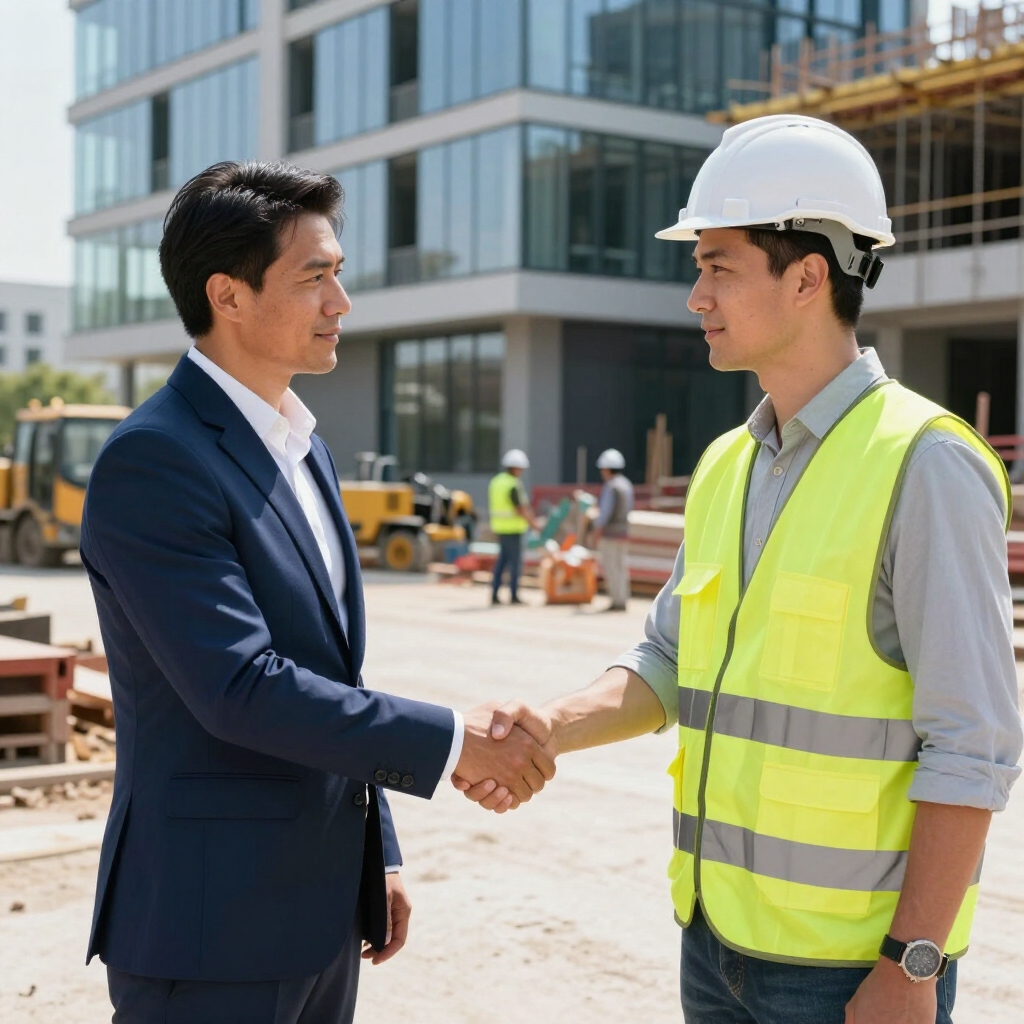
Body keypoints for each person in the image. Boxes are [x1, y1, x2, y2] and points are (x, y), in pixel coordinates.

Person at [455, 116, 1023, 1024]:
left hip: (851, 970)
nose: (696, 296)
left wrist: (911, 965)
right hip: (714, 942)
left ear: (808, 276)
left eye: (718, 265)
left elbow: (975, 742)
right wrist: (551, 726)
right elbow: (669, 661)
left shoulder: (925, 461)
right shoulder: (728, 463)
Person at [80, 160, 555, 1024]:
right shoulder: (156, 459)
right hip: (209, 930)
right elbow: (239, 687)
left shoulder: (302, 447)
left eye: (339, 275)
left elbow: (329, 671)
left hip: (321, 912)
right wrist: (454, 744)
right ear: (226, 295)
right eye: (315, 278)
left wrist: (377, 850)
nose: (341, 303)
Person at [488, 449, 538, 606]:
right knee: (515, 564)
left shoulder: (496, 481)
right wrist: (533, 524)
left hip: (499, 527)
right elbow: (520, 508)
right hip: (513, 529)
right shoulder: (513, 484)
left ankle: (495, 594)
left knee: (502, 562)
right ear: (516, 468)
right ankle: (514, 595)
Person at [589, 448, 634, 611]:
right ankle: (623, 598)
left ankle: (617, 601)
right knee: (621, 566)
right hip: (623, 532)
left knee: (612, 567)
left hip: (610, 534)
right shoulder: (626, 485)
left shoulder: (611, 487)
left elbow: (605, 513)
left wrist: (596, 529)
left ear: (606, 469)